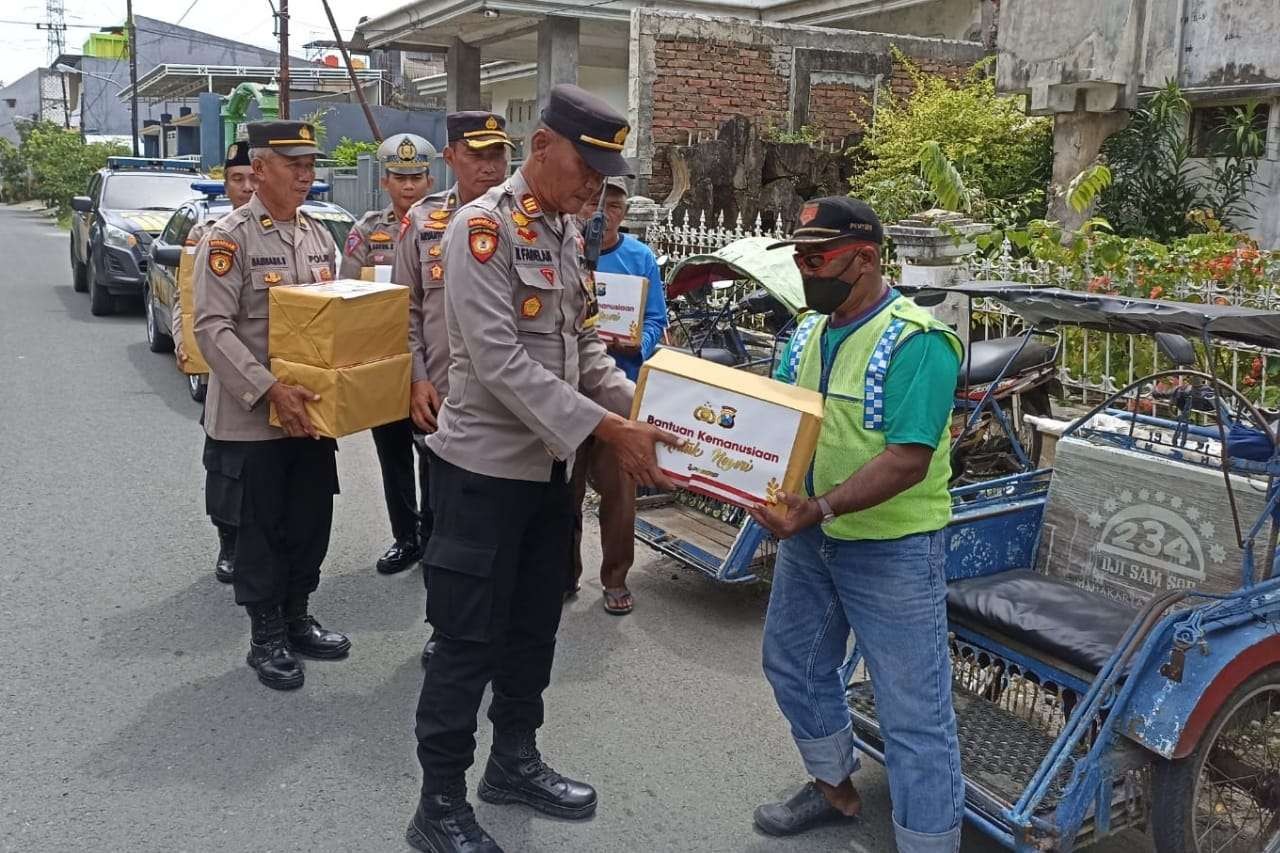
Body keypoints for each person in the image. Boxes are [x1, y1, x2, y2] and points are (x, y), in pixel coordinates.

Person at [403, 85, 679, 853]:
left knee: (533, 628)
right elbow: (494, 361)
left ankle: (513, 761)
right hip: (483, 477)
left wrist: (640, 416)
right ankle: (439, 803)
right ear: (542, 148)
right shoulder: (481, 228)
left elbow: (583, 348)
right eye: (587, 168)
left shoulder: (565, 231)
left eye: (604, 175)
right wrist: (607, 429)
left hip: (548, 479)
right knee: (466, 642)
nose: (597, 187)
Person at [747, 196, 965, 851]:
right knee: (793, 662)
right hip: (812, 539)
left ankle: (929, 840)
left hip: (892, 549)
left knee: (912, 712)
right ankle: (833, 786)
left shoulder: (918, 341)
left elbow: (907, 459)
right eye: (799, 257)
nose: (805, 269)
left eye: (817, 258)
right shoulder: (809, 331)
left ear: (865, 258)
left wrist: (817, 507)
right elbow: (782, 417)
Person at [193, 120, 351, 692]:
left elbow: (337, 318)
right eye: (294, 165)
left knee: (310, 521)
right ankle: (266, 635)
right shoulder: (228, 238)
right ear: (258, 170)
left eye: (312, 165)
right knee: (261, 530)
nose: (307, 176)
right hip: (254, 417)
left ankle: (297, 616)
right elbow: (212, 328)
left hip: (310, 415)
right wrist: (268, 390)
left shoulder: (317, 236)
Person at [390, 111, 514, 665]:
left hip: (511, 405)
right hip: (445, 399)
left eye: (498, 155)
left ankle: (502, 623)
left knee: (506, 521)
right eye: (477, 155)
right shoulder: (422, 221)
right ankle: (447, 630)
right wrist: (416, 378)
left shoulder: (527, 220)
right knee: (444, 523)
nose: (489, 166)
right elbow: (404, 312)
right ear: (451, 158)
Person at [338, 133, 436, 577]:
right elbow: (345, 292)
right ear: (385, 181)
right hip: (383, 362)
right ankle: (406, 537)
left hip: (431, 363)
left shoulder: (447, 225)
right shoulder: (366, 230)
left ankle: (435, 537)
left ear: (430, 178)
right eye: (400, 177)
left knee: (435, 453)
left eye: (416, 177)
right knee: (393, 455)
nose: (409, 186)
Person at [569, 176, 668, 614]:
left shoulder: (640, 257)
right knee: (563, 493)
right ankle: (563, 573)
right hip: (570, 391)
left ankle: (615, 578)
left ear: (624, 212)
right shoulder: (567, 250)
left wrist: (637, 345)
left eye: (613, 205)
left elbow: (656, 321)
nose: (602, 213)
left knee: (619, 494)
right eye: (595, 202)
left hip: (620, 392)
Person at [175, 139, 257, 585]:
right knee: (225, 463)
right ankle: (228, 542)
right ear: (225, 183)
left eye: (250, 178)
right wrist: (183, 343)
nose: (245, 187)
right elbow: (187, 296)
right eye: (236, 179)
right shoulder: (209, 229)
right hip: (218, 362)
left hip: (265, 365)